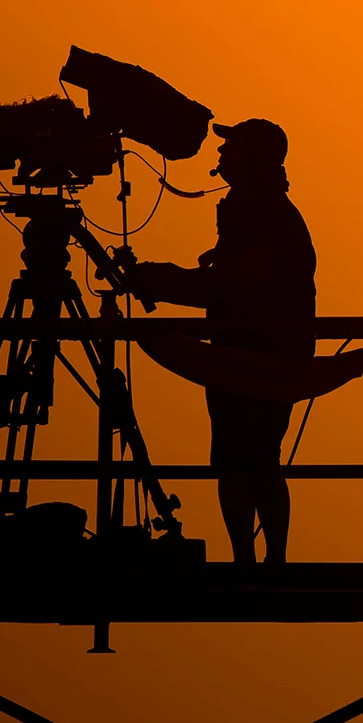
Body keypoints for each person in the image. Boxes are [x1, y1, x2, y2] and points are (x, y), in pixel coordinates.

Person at [131, 117, 317, 566]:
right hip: (269, 351)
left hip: (253, 353)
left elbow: (247, 282)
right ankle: (268, 563)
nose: (220, 154)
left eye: (231, 147)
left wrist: (171, 283)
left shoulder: (255, 205)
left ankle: (249, 564)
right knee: (259, 458)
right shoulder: (262, 204)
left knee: (238, 460)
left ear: (252, 156)